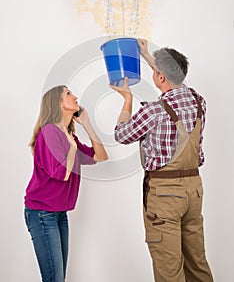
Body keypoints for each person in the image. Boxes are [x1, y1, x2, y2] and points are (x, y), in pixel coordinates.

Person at [110, 39, 213, 282]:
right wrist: (147, 55)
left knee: (169, 268)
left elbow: (122, 135)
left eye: (156, 71)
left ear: (160, 77)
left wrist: (127, 100)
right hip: (193, 191)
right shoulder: (198, 101)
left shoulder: (154, 110)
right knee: (196, 261)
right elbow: (174, 79)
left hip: (165, 195)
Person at [24, 85, 108, 282]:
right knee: (55, 279)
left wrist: (86, 124)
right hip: (42, 214)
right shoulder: (50, 132)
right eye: (68, 94)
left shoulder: (70, 137)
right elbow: (61, 174)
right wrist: (71, 148)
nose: (75, 96)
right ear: (58, 103)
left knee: (58, 278)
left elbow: (102, 156)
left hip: (59, 213)